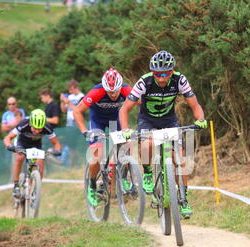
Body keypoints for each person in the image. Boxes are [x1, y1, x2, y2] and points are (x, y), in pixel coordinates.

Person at [119, 50, 208, 218]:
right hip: (147, 120)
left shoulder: (179, 80)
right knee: (147, 144)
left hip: (169, 121)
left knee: (180, 160)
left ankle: (183, 198)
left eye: (165, 74)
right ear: (153, 72)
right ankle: (147, 172)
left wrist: (200, 119)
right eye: (157, 74)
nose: (161, 78)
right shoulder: (144, 82)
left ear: (171, 72)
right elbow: (125, 109)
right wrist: (125, 129)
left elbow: (195, 105)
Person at [73, 68, 133, 206]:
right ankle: (92, 186)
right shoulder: (96, 92)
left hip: (115, 119)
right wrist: (84, 131)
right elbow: (77, 111)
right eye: (109, 91)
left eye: (116, 91)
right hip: (97, 121)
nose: (113, 94)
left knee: (127, 143)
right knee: (97, 153)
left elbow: (142, 105)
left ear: (121, 86)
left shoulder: (127, 90)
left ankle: (123, 176)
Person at [3, 109, 61, 198]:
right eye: (35, 128)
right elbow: (8, 137)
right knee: (19, 157)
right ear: (30, 123)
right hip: (22, 143)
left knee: (40, 162)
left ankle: (36, 189)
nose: (37, 131)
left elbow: (56, 143)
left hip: (36, 145)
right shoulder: (23, 124)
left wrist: (57, 150)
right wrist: (9, 146)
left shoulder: (47, 127)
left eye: (39, 129)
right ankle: (16, 185)